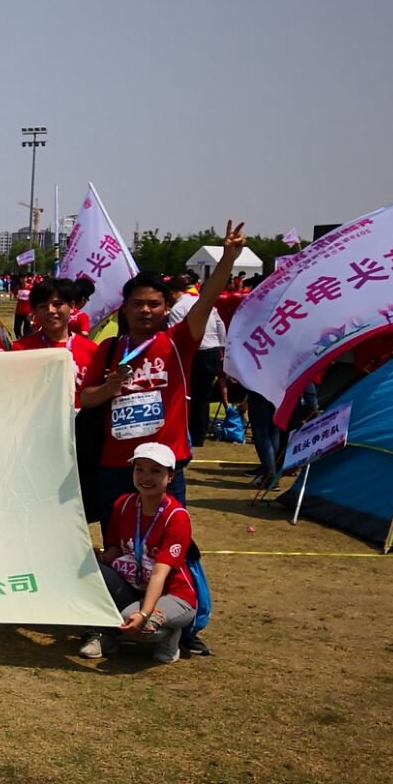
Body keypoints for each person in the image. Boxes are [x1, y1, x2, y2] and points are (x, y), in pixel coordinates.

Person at [79, 223, 245, 523]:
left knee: (164, 540)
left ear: (166, 308)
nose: (145, 310)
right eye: (138, 304)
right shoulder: (109, 349)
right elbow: (87, 399)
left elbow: (206, 301)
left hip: (164, 463)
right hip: (117, 465)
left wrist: (228, 260)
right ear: (125, 309)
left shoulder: (178, 342)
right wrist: (108, 388)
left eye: (153, 304)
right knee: (115, 547)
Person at [82, 443, 202, 663]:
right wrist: (98, 558)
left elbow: (159, 573)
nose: (146, 477)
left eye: (156, 471)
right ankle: (104, 635)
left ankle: (169, 635)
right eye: (140, 469)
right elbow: (117, 547)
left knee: (133, 618)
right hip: (135, 586)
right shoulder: (123, 504)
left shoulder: (176, 516)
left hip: (173, 594)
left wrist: (144, 613)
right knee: (90, 570)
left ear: (170, 476)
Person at [166, 273, 227, 449]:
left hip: (195, 353)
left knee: (187, 394)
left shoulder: (179, 308)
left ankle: (189, 432)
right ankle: (199, 434)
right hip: (213, 351)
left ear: (173, 292)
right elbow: (220, 325)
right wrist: (221, 347)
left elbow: (177, 335)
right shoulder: (205, 304)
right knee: (204, 396)